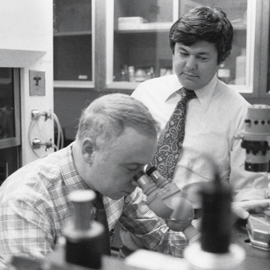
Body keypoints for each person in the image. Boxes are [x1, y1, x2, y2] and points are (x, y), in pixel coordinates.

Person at [120, 5, 270, 253]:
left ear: (222, 58)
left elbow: (249, 192)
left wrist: (206, 230)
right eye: (183, 53)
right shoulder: (146, 93)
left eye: (202, 57)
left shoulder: (241, 114)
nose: (189, 65)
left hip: (195, 237)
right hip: (135, 230)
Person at [0, 93, 199, 268]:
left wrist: (188, 227)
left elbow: (163, 239)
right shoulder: (28, 201)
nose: (140, 180)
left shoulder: (116, 182)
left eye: (143, 169)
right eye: (132, 168)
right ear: (89, 150)